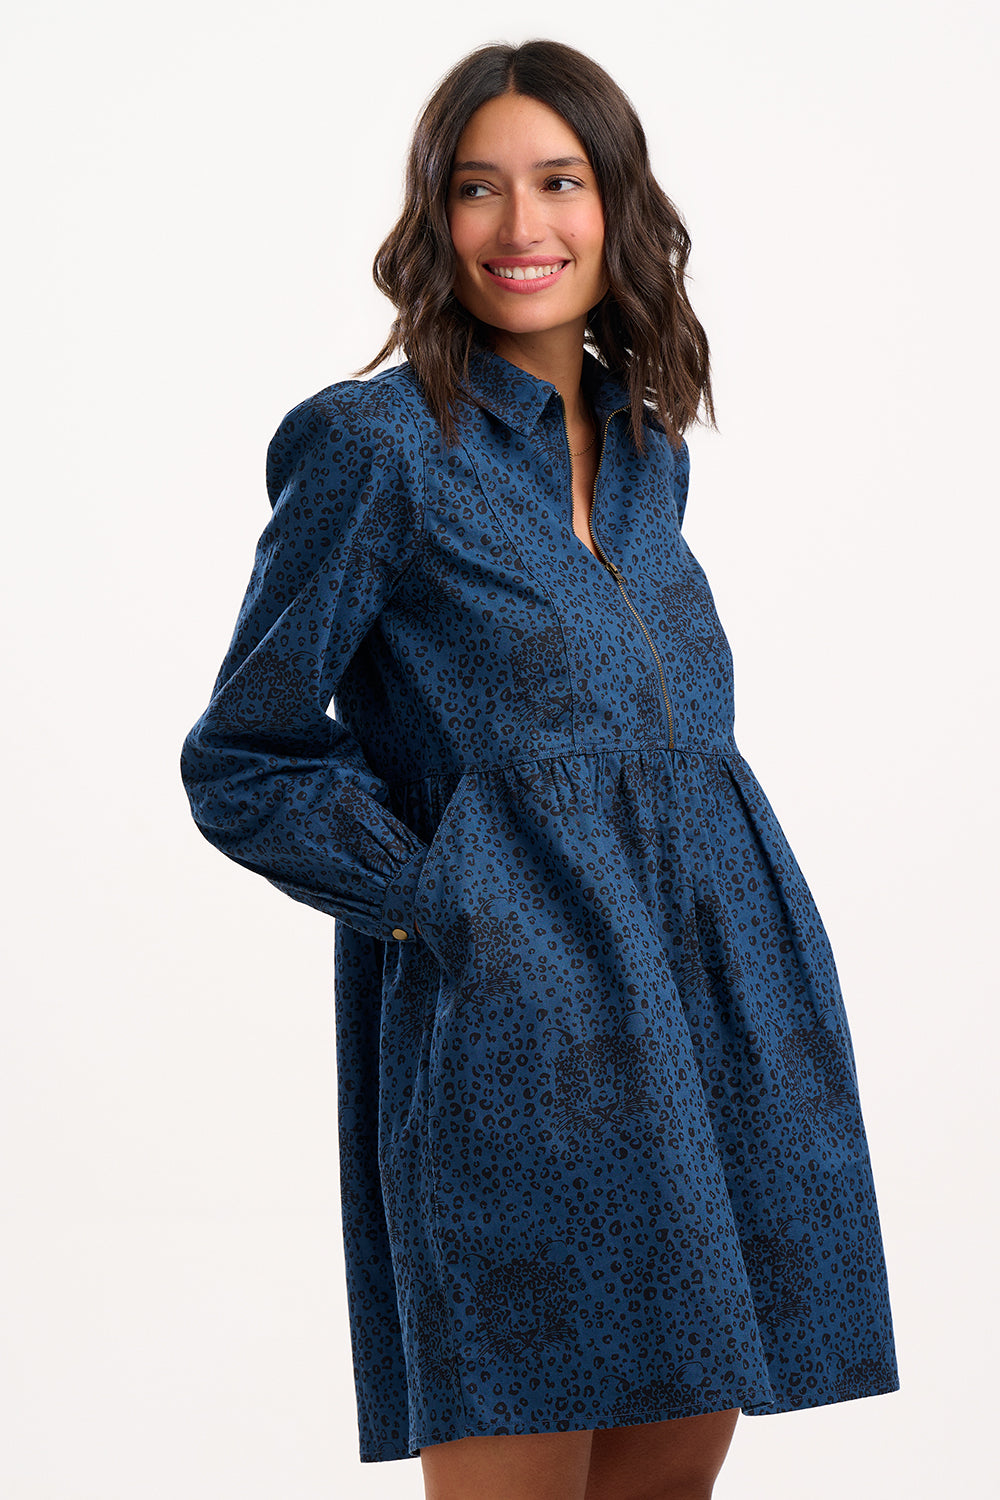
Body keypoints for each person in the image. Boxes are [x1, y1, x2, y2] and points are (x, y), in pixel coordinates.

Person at [179, 38, 900, 1500]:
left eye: (559, 183)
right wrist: (451, 905)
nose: (523, 228)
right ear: (431, 223)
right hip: (522, 1053)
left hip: (719, 1025)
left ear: (615, 206)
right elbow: (242, 755)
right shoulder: (376, 448)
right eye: (478, 189)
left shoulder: (646, 449)